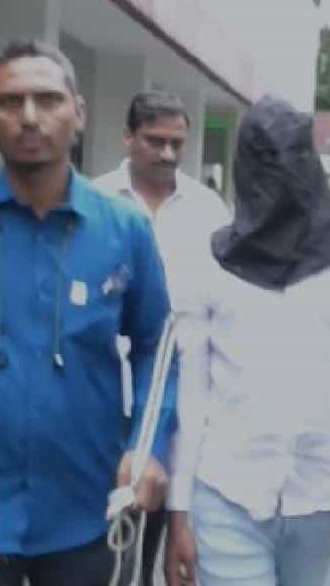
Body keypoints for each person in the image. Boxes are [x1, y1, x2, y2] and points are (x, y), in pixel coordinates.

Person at [0, 38, 176, 586]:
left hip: (87, 509)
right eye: (10, 101)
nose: (29, 116)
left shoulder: (124, 230)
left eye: (47, 100)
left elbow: (158, 350)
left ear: (78, 113)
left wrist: (147, 447)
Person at [164, 96, 330, 586]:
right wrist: (178, 510)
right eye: (265, 161)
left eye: (292, 158)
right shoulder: (208, 262)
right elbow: (191, 393)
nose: (281, 176)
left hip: (318, 495)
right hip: (226, 492)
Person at [94, 90, 230, 586]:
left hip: (181, 394)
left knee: (160, 527)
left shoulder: (209, 210)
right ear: (128, 137)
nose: (169, 153)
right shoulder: (96, 201)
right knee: (104, 536)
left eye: (177, 143)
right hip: (105, 389)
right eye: (156, 141)